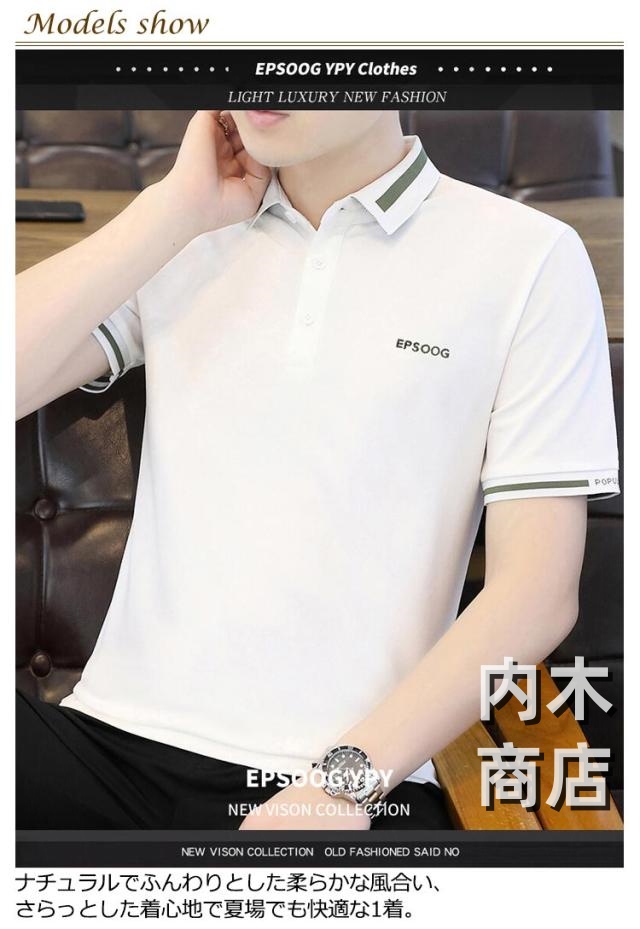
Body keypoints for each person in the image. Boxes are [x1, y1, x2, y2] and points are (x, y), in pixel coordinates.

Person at [15, 109, 619, 830]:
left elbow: (537, 594)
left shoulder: (529, 257)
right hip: (105, 749)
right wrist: (170, 208)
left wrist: (341, 786)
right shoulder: (188, 232)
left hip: (341, 783)